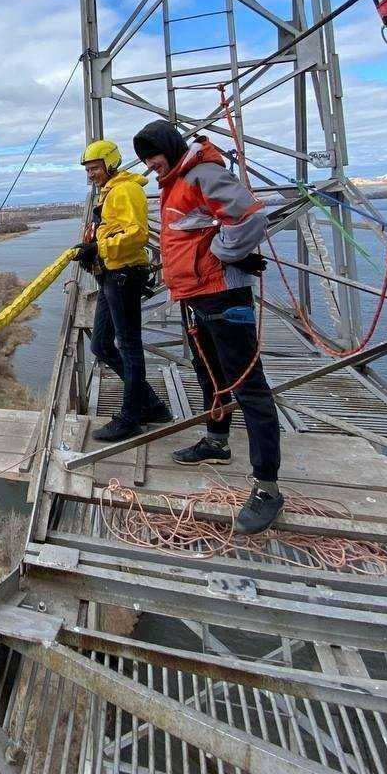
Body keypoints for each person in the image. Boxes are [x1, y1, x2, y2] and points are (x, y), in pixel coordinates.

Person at [130, 120, 283, 534]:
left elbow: (250, 217)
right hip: (195, 296)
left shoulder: (203, 174)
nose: (150, 166)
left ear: (168, 147)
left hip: (221, 296)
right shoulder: (176, 181)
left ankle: (267, 487)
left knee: (249, 387)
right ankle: (216, 442)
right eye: (145, 160)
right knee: (209, 374)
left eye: (153, 157)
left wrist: (223, 254)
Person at [74, 140, 171, 443]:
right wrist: (94, 251)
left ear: (110, 164)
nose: (90, 175)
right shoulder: (108, 191)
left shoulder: (125, 190)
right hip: (110, 275)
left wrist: (98, 248)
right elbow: (112, 231)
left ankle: (131, 417)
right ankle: (151, 405)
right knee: (101, 346)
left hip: (124, 275)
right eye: (88, 170)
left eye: (94, 168)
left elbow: (137, 233)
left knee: (129, 346)